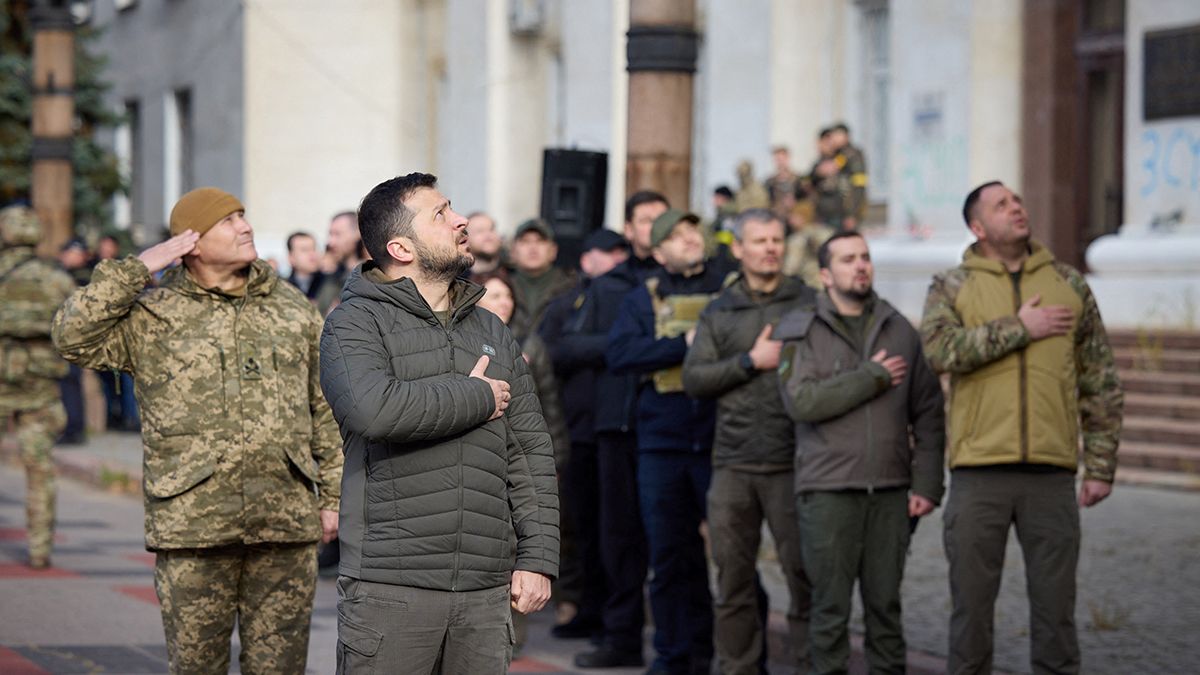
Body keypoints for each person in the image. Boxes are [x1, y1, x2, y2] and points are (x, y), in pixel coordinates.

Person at [52, 188, 343, 673]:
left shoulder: (291, 307)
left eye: (243, 217)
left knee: (281, 668)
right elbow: (71, 336)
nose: (245, 227)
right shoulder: (153, 314)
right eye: (227, 221)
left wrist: (332, 496)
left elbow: (325, 406)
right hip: (193, 526)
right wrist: (138, 268)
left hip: (284, 522)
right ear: (191, 243)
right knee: (196, 667)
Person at [319, 173, 559, 674]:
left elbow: (529, 449)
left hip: (485, 588)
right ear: (401, 248)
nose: (460, 220)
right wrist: (476, 396)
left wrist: (537, 557)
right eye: (441, 214)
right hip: (390, 584)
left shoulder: (490, 327)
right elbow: (373, 410)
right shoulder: (355, 322)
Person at [920, 181, 1123, 675]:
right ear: (978, 227)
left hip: (1051, 476)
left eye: (1017, 201)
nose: (1016, 208)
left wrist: (1100, 465)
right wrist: (1018, 328)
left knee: (1056, 620)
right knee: (971, 617)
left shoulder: (1068, 282)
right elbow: (939, 352)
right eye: (1001, 205)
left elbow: (1099, 377)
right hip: (978, 473)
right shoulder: (951, 284)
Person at [774, 230, 945, 674]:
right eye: (848, 259)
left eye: (865, 257)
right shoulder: (802, 329)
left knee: (886, 610)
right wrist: (871, 378)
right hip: (827, 491)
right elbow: (801, 402)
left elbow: (928, 412)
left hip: (890, 490)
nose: (861, 266)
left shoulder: (898, 328)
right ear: (826, 275)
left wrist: (927, 483)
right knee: (829, 611)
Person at [681, 209, 816, 674]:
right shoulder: (720, 309)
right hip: (734, 465)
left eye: (776, 240)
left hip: (796, 461)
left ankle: (810, 666)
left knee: (806, 580)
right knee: (733, 583)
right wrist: (750, 361)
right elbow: (694, 379)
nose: (771, 248)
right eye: (760, 241)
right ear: (738, 249)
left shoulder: (809, 302)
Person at [607, 208, 731, 675]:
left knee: (734, 561)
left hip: (723, 439)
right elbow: (620, 353)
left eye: (692, 231)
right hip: (663, 444)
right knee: (670, 556)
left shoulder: (732, 286)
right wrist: (684, 344)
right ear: (658, 253)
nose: (690, 239)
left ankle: (733, 658)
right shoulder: (643, 296)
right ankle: (674, 656)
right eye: (676, 236)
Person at [571, 191, 667, 670]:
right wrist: (634, 345)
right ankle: (621, 635)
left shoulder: (690, 281)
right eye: (645, 220)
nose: (654, 227)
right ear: (629, 230)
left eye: (662, 219)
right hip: (616, 423)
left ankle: (679, 646)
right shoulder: (609, 286)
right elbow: (576, 345)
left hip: (668, 425)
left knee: (670, 540)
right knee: (619, 538)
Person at [539, 229, 630, 641]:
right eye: (606, 253)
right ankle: (589, 608)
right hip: (576, 429)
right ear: (586, 259)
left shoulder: (628, 298)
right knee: (583, 527)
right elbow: (552, 351)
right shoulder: (565, 304)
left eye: (619, 253)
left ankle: (610, 614)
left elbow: (626, 347)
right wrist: (607, 346)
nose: (614, 261)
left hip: (615, 429)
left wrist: (588, 346)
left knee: (616, 528)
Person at [0, 206, 77, 569]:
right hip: (39, 385)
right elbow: (77, 325)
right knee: (39, 468)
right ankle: (40, 548)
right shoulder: (55, 278)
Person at [508, 217, 574, 340]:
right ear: (513, 251)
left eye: (540, 241)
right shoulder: (501, 287)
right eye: (525, 241)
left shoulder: (572, 287)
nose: (533, 248)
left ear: (553, 250)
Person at [315, 211, 362, 314]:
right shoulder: (332, 277)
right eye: (330, 234)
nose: (330, 242)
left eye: (337, 234)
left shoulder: (368, 278)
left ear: (357, 234)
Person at [828, 123, 868, 231]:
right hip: (838, 209)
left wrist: (852, 214)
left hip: (849, 208)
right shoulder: (838, 154)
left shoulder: (853, 155)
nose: (834, 139)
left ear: (846, 136)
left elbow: (859, 186)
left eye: (837, 135)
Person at [765, 145, 804, 220]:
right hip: (777, 217)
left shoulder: (798, 180)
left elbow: (804, 199)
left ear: (788, 158)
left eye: (782, 159)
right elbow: (768, 202)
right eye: (777, 159)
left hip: (796, 216)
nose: (780, 162)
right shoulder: (770, 182)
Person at [285, 231, 326, 299]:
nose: (312, 254)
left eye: (314, 249)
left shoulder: (332, 283)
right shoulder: (282, 288)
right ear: (291, 257)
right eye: (305, 250)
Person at [467, 211, 505, 276]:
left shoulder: (513, 274)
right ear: (465, 239)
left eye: (491, 229)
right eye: (480, 231)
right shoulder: (455, 277)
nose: (488, 235)